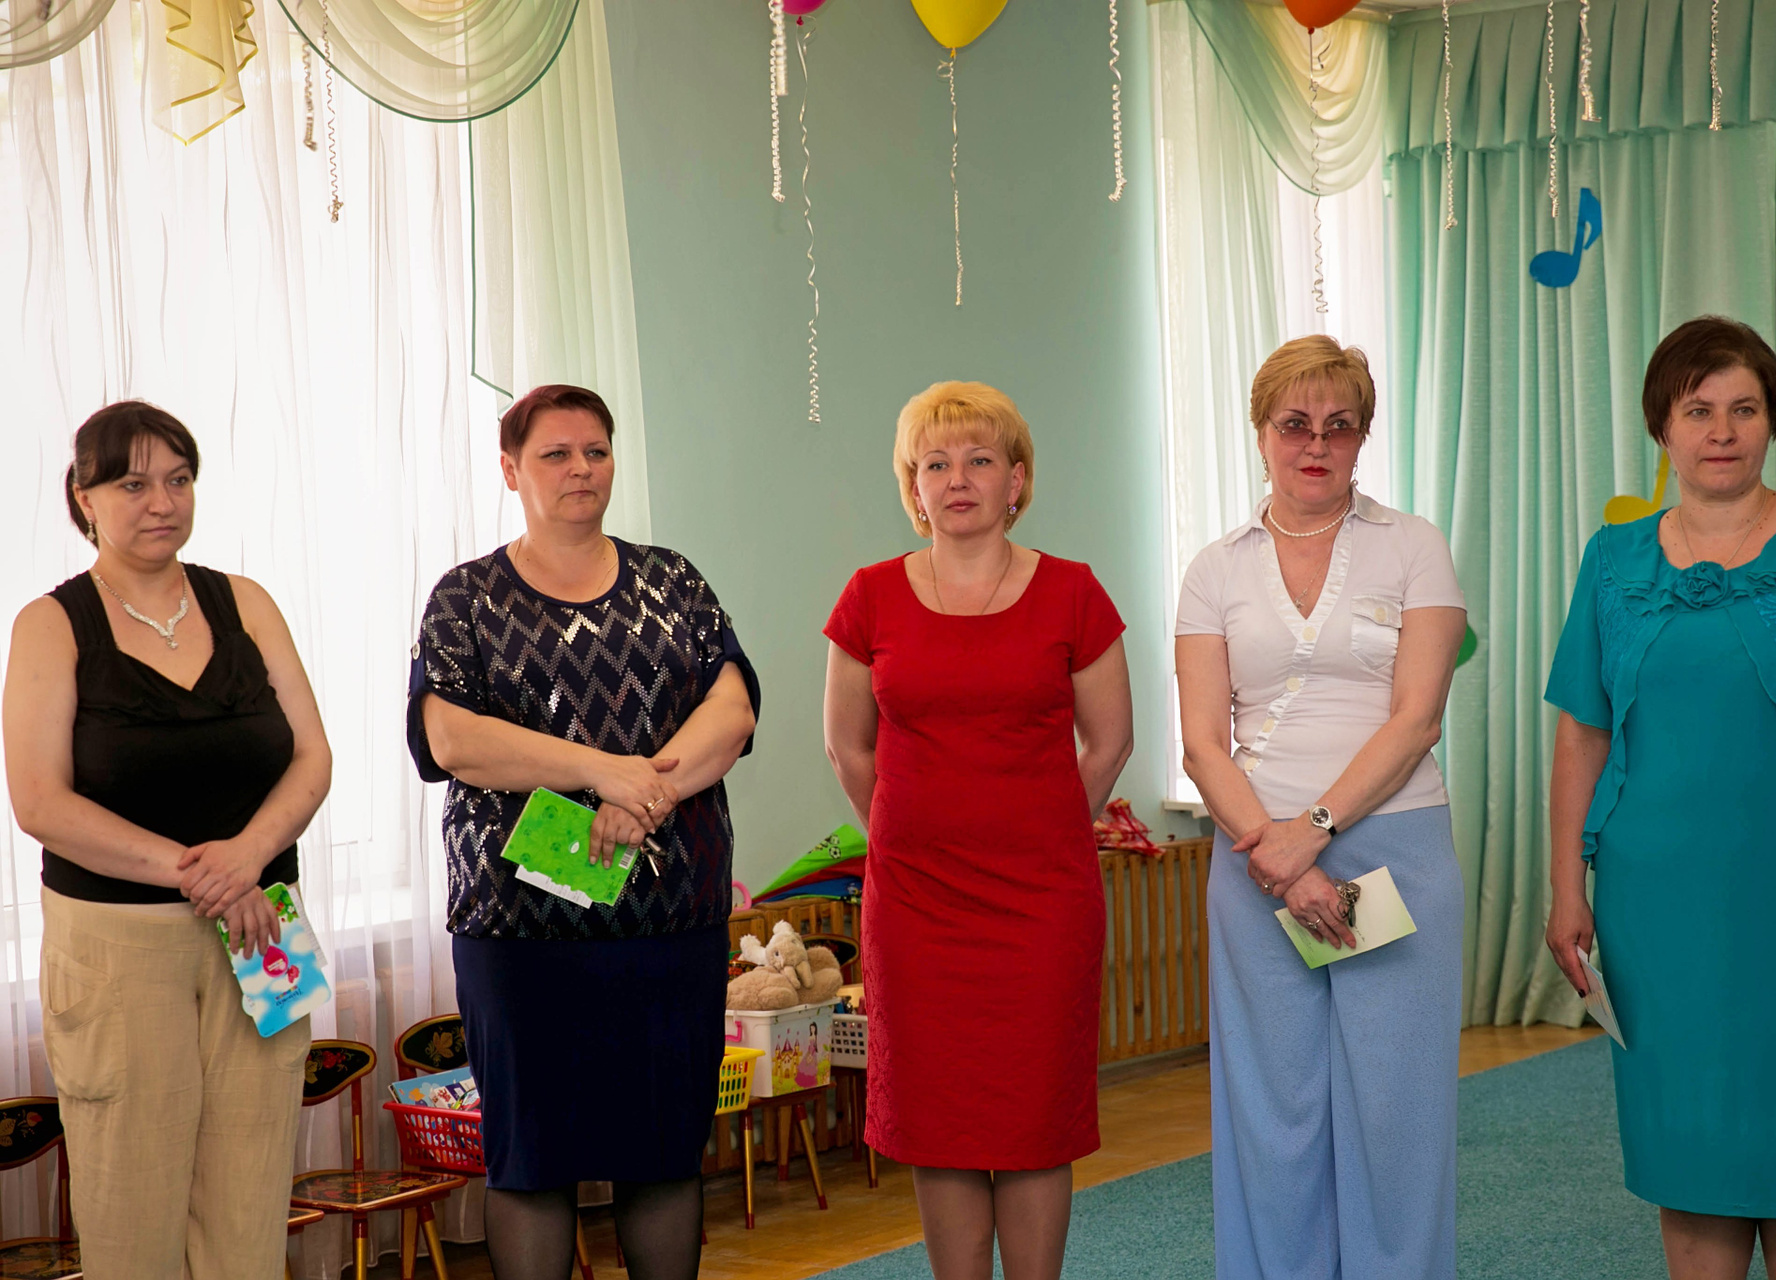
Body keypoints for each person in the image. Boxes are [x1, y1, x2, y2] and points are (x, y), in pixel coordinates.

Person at [1545, 317, 1776, 1280]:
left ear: (1772, 423)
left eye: (1744, 409)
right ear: (1662, 427)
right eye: (1698, 410)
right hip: (1655, 908)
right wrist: (1565, 888)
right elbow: (1582, 734)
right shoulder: (1611, 560)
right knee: (1691, 1154)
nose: (1721, 431)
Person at [408, 385, 758, 1280]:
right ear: (510, 470)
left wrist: (645, 793)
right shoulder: (467, 597)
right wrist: (600, 771)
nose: (580, 469)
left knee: (663, 1154)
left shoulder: (672, 581)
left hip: (667, 929)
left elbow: (732, 710)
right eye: (556, 454)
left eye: (595, 451)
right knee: (531, 1159)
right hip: (522, 938)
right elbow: (453, 740)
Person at [2, 401, 332, 1277]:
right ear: (84, 498)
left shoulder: (245, 601)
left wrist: (247, 859)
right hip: (121, 945)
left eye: (179, 480)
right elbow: (40, 802)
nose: (162, 502)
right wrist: (203, 874)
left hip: (266, 925)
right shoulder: (50, 623)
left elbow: (313, 756)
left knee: (251, 1202)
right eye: (133, 484)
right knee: (133, 1205)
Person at [822, 381, 1133, 1280]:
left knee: (1035, 1121)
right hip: (916, 908)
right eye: (936, 463)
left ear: (1016, 480)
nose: (957, 478)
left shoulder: (1073, 592)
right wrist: (911, 837)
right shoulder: (870, 596)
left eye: (979, 460)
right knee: (939, 1123)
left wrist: (1043, 829)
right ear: (914, 488)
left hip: (1043, 904)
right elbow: (847, 747)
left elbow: (1110, 741)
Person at [1175, 336, 1468, 1279]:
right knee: (1275, 1113)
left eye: (1339, 426)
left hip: (1392, 848)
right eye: (1295, 423)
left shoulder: (1414, 546)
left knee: (1395, 1110)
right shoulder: (1214, 569)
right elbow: (1202, 743)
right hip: (1253, 859)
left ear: (1362, 437)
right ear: (1261, 432)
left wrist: (1313, 834)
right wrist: (1276, 853)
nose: (1316, 443)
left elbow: (1418, 717)